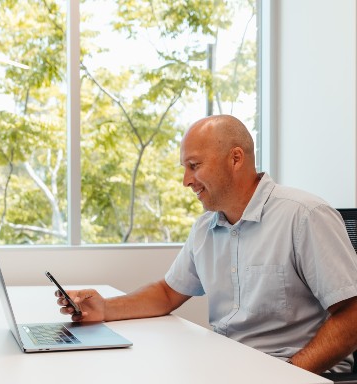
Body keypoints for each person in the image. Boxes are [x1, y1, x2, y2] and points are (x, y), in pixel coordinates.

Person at [56, 114, 357, 374]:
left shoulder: (305, 216)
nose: (186, 180)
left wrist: (287, 375)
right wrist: (105, 309)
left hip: (292, 371)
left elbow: (352, 315)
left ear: (236, 158)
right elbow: (166, 293)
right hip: (227, 366)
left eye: (194, 165)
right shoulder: (206, 227)